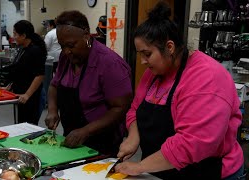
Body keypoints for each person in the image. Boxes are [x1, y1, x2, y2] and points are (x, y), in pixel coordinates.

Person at [115, 2, 245, 180]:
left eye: (147, 54)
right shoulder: (152, 74)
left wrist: (139, 167)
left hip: (207, 172)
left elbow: (192, 143)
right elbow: (135, 110)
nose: (143, 62)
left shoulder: (207, 78)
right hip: (161, 169)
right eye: (140, 55)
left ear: (169, 47)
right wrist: (133, 137)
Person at [45, 10, 132, 156]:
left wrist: (86, 131)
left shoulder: (109, 63)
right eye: (62, 46)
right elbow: (54, 85)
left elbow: (121, 108)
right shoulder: (66, 58)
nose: (66, 51)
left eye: (71, 45)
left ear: (86, 36)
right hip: (72, 136)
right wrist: (52, 110)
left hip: (103, 142)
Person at [0, 20, 46, 125]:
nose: (13, 36)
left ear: (24, 35)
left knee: (29, 128)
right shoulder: (23, 49)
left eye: (15, 34)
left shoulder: (35, 50)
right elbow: (20, 71)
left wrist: (27, 95)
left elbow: (39, 75)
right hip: (21, 95)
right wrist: (10, 86)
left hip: (32, 97)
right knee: (21, 126)